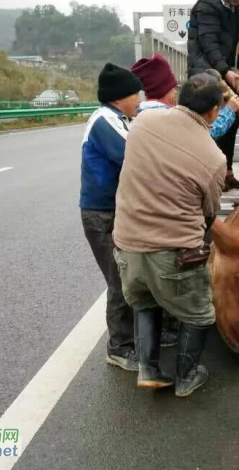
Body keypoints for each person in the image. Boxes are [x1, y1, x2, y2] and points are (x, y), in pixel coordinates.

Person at [113, 73, 226, 397]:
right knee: (200, 313)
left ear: (178, 98)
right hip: (173, 254)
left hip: (127, 245)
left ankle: (148, 368)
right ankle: (186, 375)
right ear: (215, 110)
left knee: (145, 303)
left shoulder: (142, 124)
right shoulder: (213, 157)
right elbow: (209, 213)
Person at [80, 63, 143, 371]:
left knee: (127, 275)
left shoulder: (119, 118)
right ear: (120, 97)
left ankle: (130, 338)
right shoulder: (106, 121)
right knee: (118, 279)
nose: (140, 99)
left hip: (113, 211)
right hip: (102, 214)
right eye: (136, 93)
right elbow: (134, 156)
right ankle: (118, 347)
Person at [188, 0, 239, 191]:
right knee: (209, 121)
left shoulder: (237, 9)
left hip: (223, 69)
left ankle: (226, 173)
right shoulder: (207, 5)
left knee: (229, 119)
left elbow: (236, 37)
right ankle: (205, 176)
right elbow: (208, 42)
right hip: (205, 72)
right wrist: (225, 70)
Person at [130, 53, 239, 140]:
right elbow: (206, 133)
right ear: (164, 90)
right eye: (173, 87)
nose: (175, 92)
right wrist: (229, 110)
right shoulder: (169, 118)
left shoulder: (140, 114)